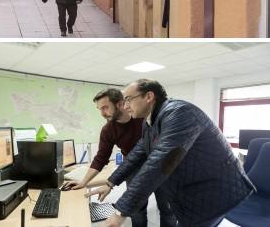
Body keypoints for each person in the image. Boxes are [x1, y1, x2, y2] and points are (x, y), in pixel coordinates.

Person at [87, 79, 255, 227]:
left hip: (215, 190)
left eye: (128, 99)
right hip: (192, 185)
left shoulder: (180, 113)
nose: (125, 105)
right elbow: (137, 154)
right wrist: (110, 183)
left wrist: (120, 212)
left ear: (149, 97)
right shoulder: (150, 122)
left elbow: (158, 162)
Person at [63, 88, 176, 227]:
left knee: (167, 208)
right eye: (99, 109)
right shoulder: (108, 130)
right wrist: (84, 182)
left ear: (120, 104)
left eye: (105, 107)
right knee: (137, 210)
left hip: (159, 166)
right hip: (132, 168)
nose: (102, 113)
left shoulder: (142, 118)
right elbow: (101, 158)